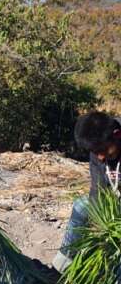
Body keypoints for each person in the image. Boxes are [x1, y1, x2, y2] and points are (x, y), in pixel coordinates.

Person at [52, 111, 121, 272]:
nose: (100, 157)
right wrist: (100, 223)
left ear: (117, 135)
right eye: (95, 152)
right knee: (81, 206)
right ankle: (61, 267)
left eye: (103, 151)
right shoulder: (98, 149)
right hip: (114, 200)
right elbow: (97, 189)